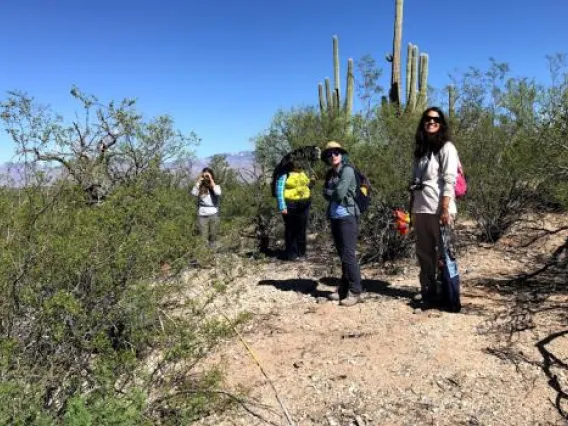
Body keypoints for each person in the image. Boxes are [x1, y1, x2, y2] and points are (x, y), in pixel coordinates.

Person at [409, 107, 459, 309]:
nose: (431, 122)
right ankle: (428, 291)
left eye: (436, 119)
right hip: (420, 209)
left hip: (439, 209)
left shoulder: (446, 148)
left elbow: (449, 180)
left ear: (441, 123)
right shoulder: (421, 151)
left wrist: (445, 208)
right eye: (428, 119)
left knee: (445, 254)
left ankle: (449, 296)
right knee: (424, 253)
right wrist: (411, 208)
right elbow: (414, 181)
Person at [322, 141, 362, 307]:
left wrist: (328, 191)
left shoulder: (348, 171)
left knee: (348, 255)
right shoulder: (330, 174)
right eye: (330, 153)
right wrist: (329, 192)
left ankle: (356, 291)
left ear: (341, 154)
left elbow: (338, 194)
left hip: (347, 216)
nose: (333, 156)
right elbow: (326, 193)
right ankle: (344, 289)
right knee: (342, 256)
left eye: (336, 152)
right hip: (335, 216)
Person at [275, 157, 312, 261]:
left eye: (300, 161)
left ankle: (301, 253)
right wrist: (282, 206)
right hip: (290, 204)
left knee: (302, 229)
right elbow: (279, 190)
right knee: (291, 229)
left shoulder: (303, 172)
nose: (298, 163)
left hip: (304, 203)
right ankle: (292, 253)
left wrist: (311, 182)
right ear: (291, 163)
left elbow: (306, 186)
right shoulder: (284, 174)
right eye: (296, 161)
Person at [191, 167, 221, 249]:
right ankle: (204, 255)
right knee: (203, 237)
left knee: (213, 236)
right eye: (205, 175)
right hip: (202, 214)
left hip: (213, 214)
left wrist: (211, 180)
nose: (206, 177)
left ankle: (212, 254)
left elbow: (218, 192)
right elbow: (193, 193)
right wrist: (199, 181)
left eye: (208, 175)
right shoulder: (200, 187)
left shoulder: (216, 186)